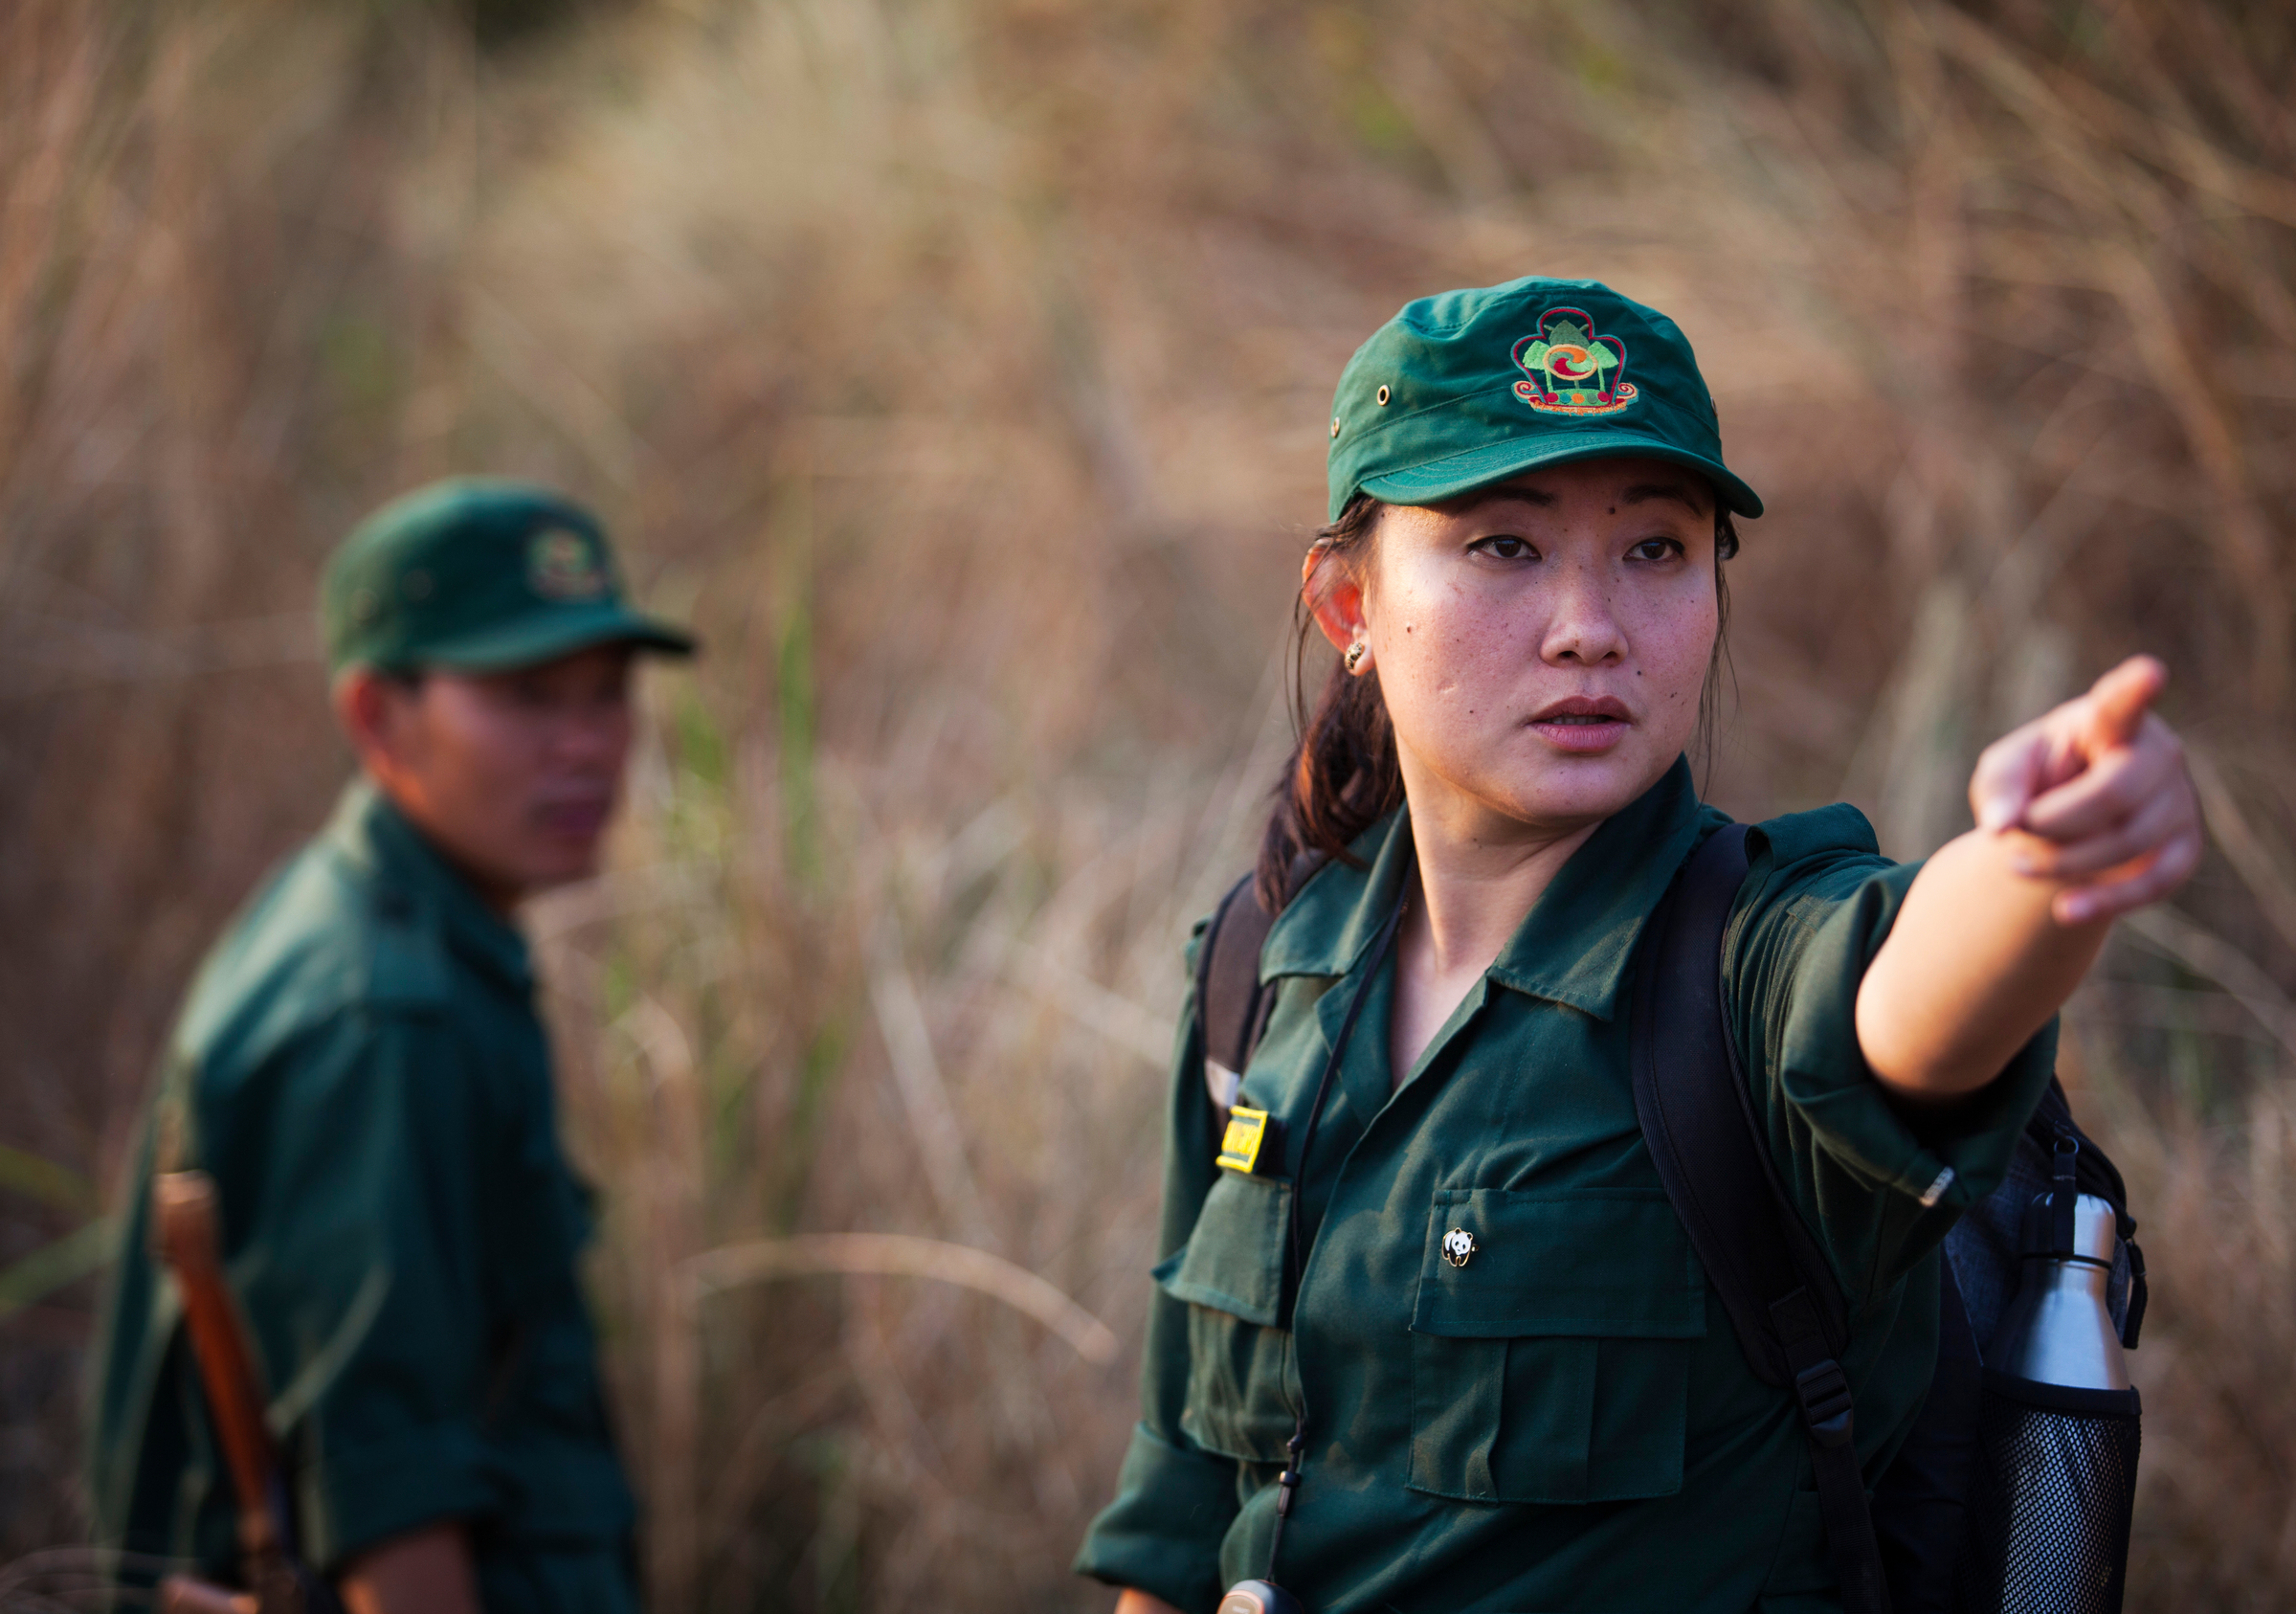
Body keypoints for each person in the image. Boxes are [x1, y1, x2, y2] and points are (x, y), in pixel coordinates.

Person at [1073, 278, 2199, 1613]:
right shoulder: (1257, 972)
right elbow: (1179, 1514)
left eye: (1655, 548)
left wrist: (2035, 872)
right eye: (1502, 545)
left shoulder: (1740, 964)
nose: (1588, 626)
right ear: (1346, 608)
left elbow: (1900, 994)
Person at [87, 480, 695, 1614]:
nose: (587, 744)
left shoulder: (392, 932)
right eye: (525, 695)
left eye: (608, 693)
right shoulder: (380, 1020)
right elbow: (393, 1519)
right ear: (377, 715)